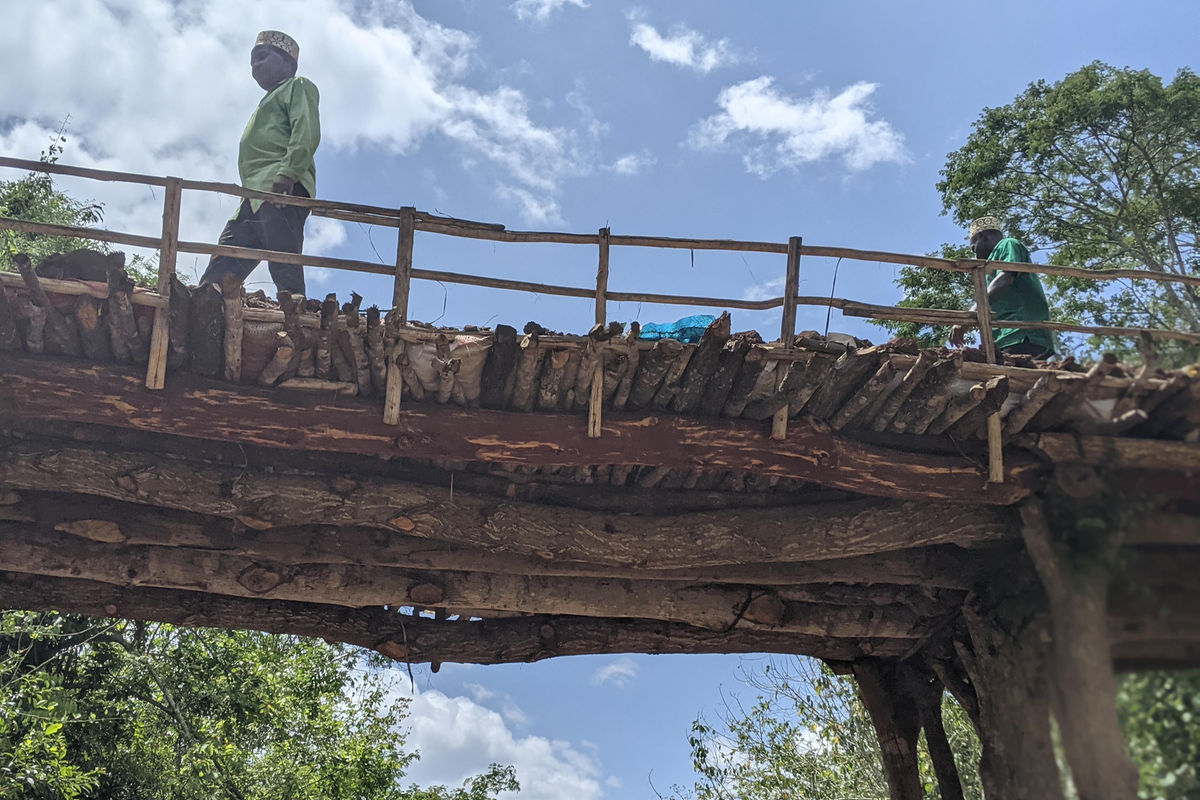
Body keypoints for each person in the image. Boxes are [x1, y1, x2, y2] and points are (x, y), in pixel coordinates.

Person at [200, 30, 320, 296]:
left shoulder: (297, 86)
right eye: (252, 61)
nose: (255, 65)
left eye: (262, 57)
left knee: (283, 257)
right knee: (225, 260)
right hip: (252, 196)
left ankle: (295, 311)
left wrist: (287, 173)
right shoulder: (267, 99)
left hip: (280, 187)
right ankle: (207, 300)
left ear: (288, 63)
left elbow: (305, 131)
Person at [948, 215, 1055, 359]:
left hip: (1022, 335)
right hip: (1006, 339)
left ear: (983, 236)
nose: (976, 255)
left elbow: (1005, 279)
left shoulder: (1007, 244)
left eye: (974, 248)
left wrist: (971, 314)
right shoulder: (990, 265)